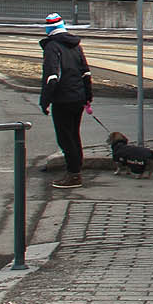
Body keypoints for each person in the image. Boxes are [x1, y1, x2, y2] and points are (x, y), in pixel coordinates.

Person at [38, 13, 93, 189]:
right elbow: (86, 72)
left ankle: (74, 175)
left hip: (62, 99)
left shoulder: (52, 47)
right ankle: (76, 169)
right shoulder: (75, 45)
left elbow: (51, 77)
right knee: (74, 135)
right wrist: (87, 97)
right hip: (78, 97)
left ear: (49, 29)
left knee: (65, 137)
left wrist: (44, 101)